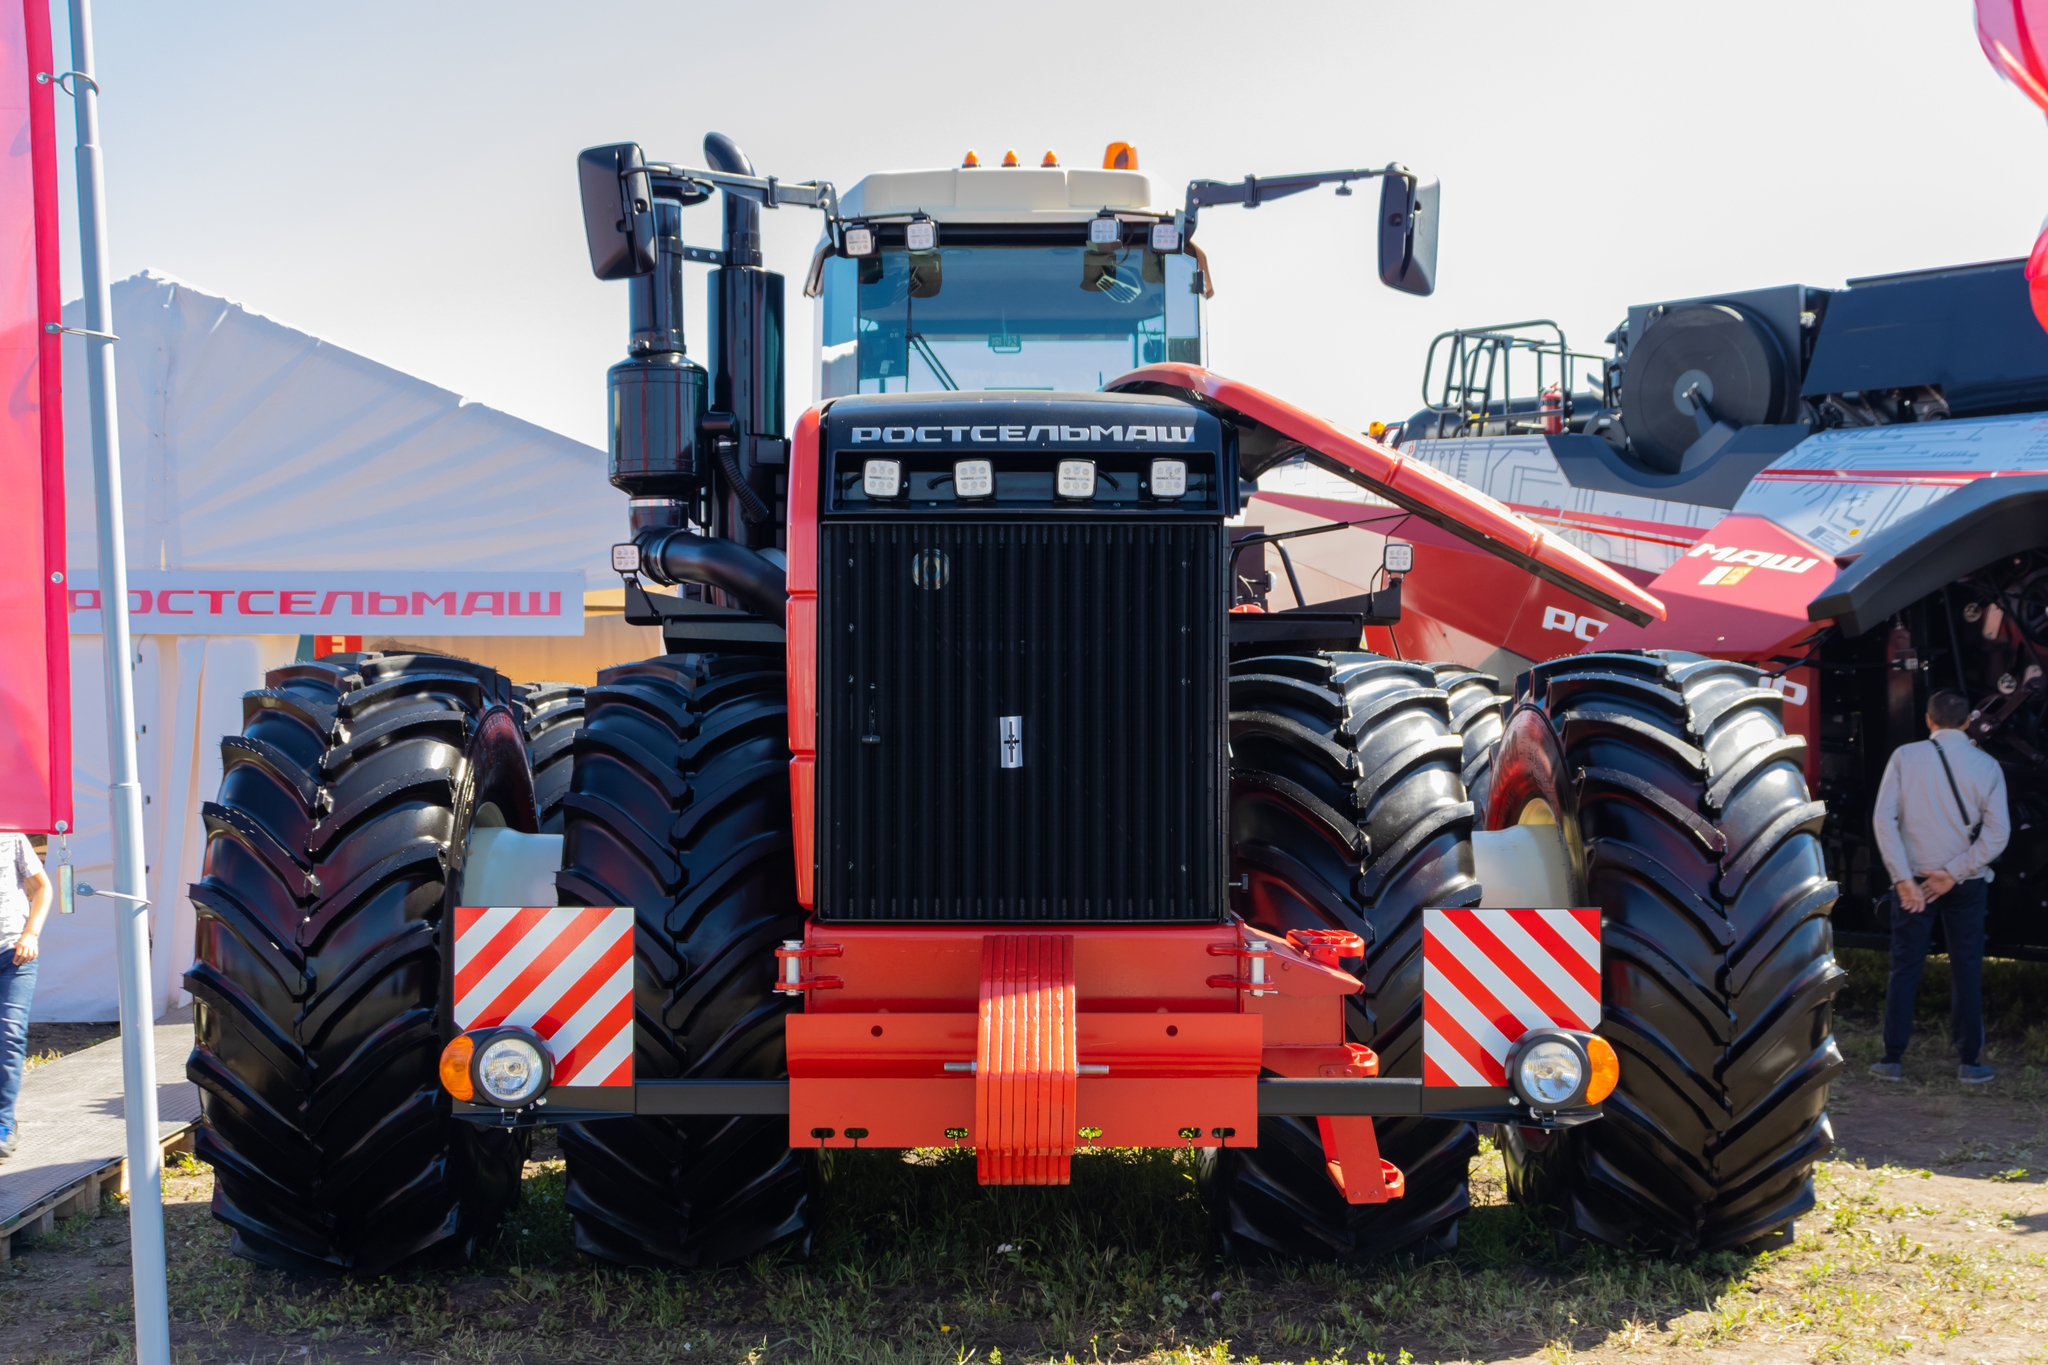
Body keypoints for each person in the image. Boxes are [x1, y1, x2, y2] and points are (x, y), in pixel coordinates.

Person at [1868, 689, 2011, 1085]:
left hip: (1913, 881)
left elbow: (1884, 820)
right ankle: (1970, 1062)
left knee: (1905, 966)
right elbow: (1998, 835)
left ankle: (1892, 1059)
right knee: (1966, 966)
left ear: (1928, 721)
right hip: (1964, 884)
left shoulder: (1904, 757)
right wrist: (1954, 872)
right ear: (1968, 723)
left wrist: (1902, 879)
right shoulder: (1987, 765)